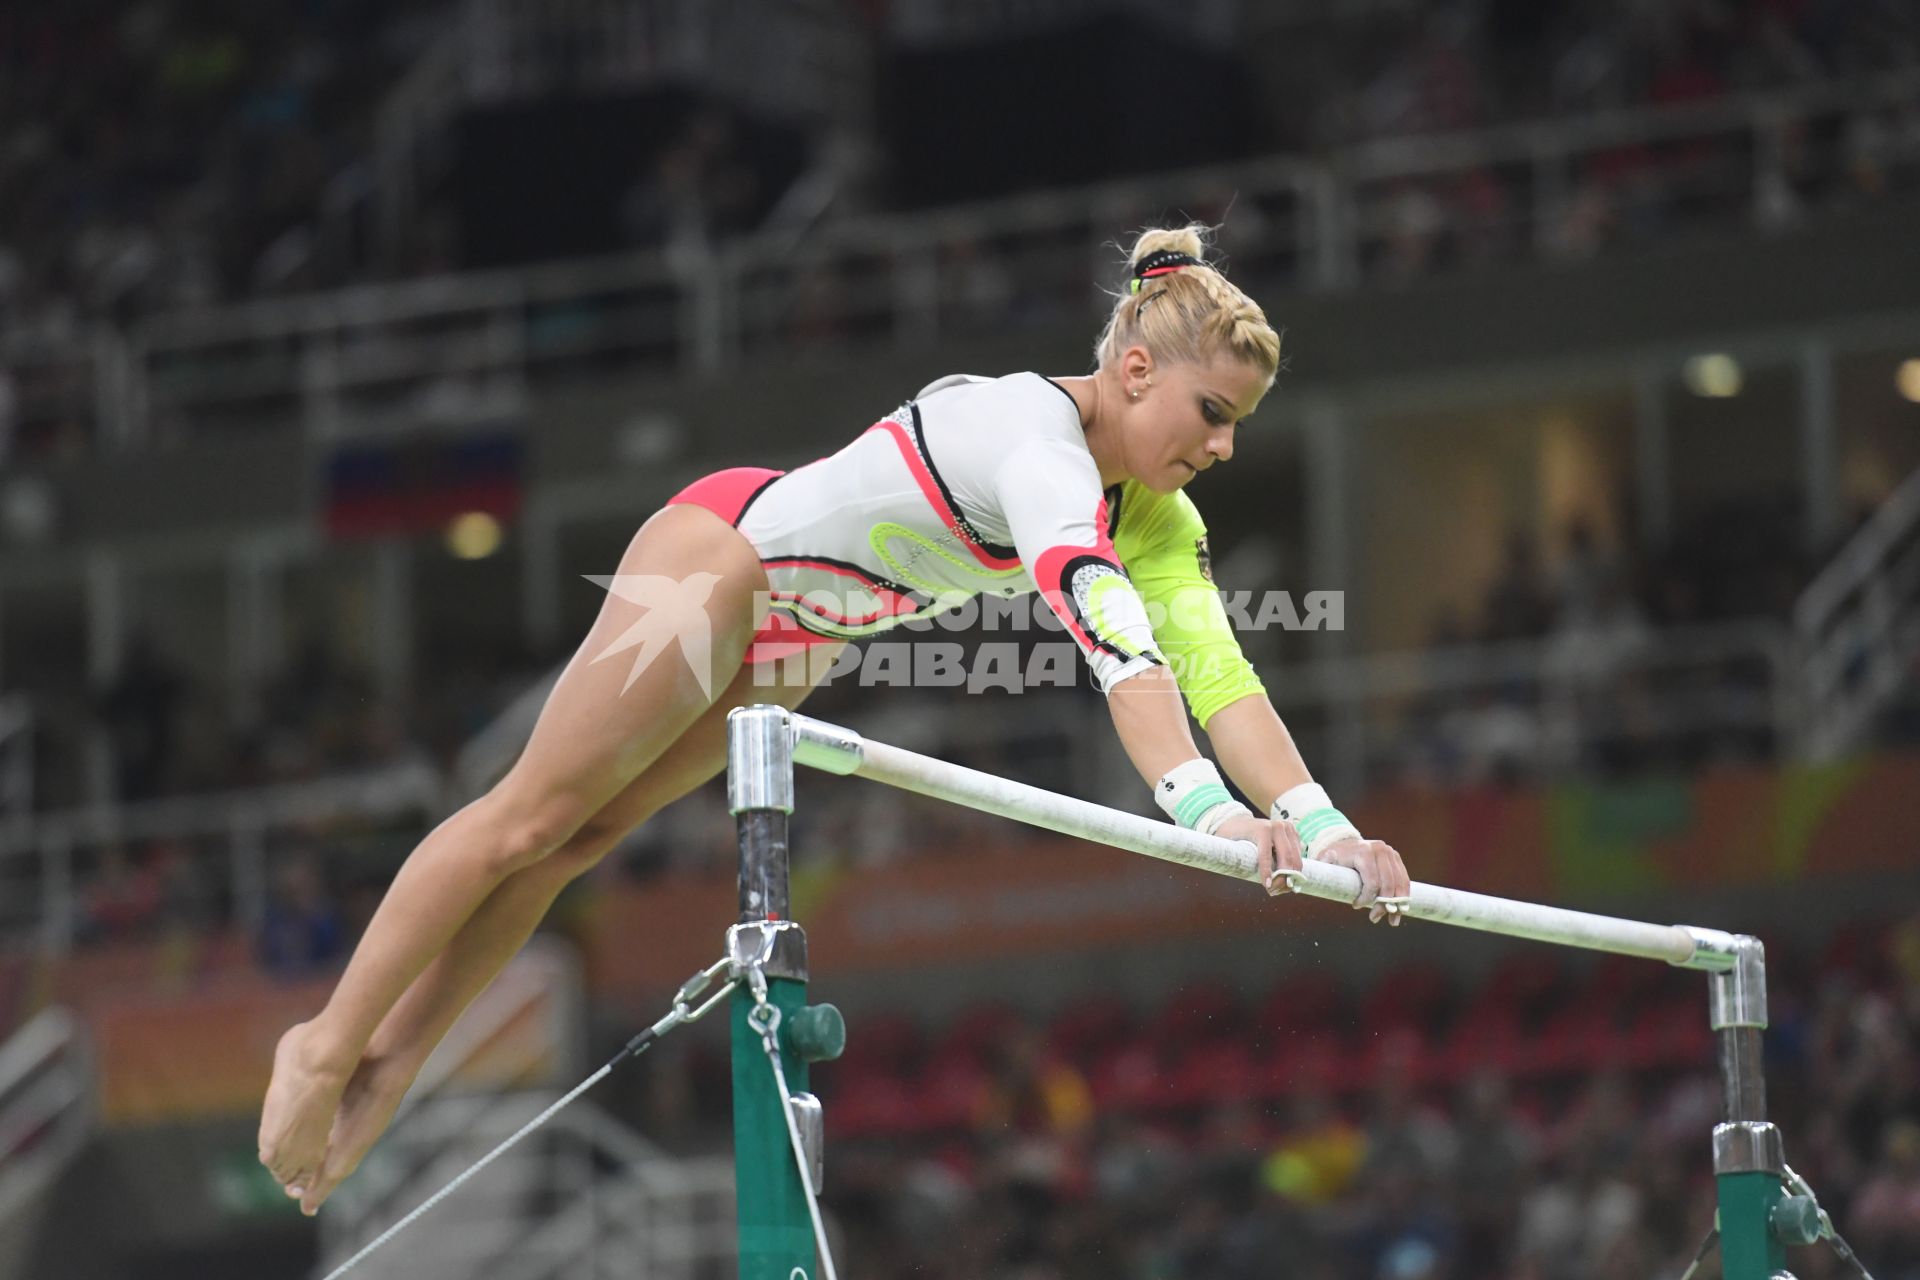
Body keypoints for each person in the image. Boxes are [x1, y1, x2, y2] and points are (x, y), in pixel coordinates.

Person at [257, 224, 1414, 1215]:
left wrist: (1323, 826)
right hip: (725, 564)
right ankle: (324, 1041)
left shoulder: (1156, 516)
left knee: (576, 845)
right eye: (1212, 413)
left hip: (799, 648)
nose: (1220, 446)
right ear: (1132, 363)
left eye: (1238, 427)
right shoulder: (1031, 438)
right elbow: (1114, 644)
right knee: (525, 816)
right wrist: (1207, 811)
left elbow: (1217, 675)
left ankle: (392, 1064)